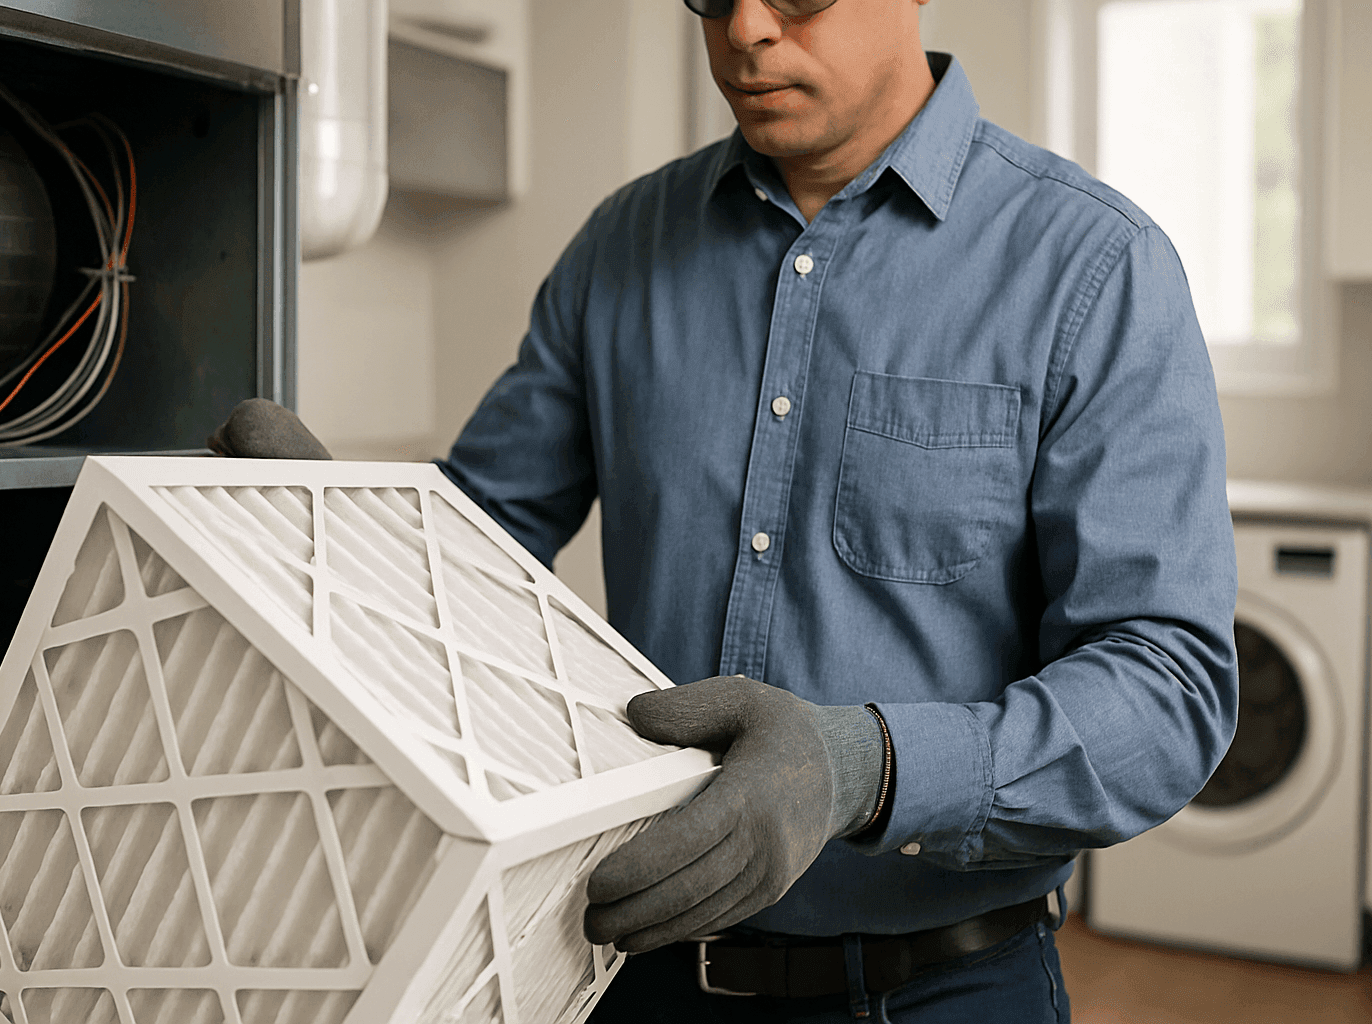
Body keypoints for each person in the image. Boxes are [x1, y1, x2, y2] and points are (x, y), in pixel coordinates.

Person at [212, 0, 1239, 1019]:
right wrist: (343, 540)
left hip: (940, 990)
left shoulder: (1093, 268)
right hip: (628, 970)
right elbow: (481, 547)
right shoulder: (622, 246)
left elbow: (1168, 691)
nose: (745, 29)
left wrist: (864, 768)